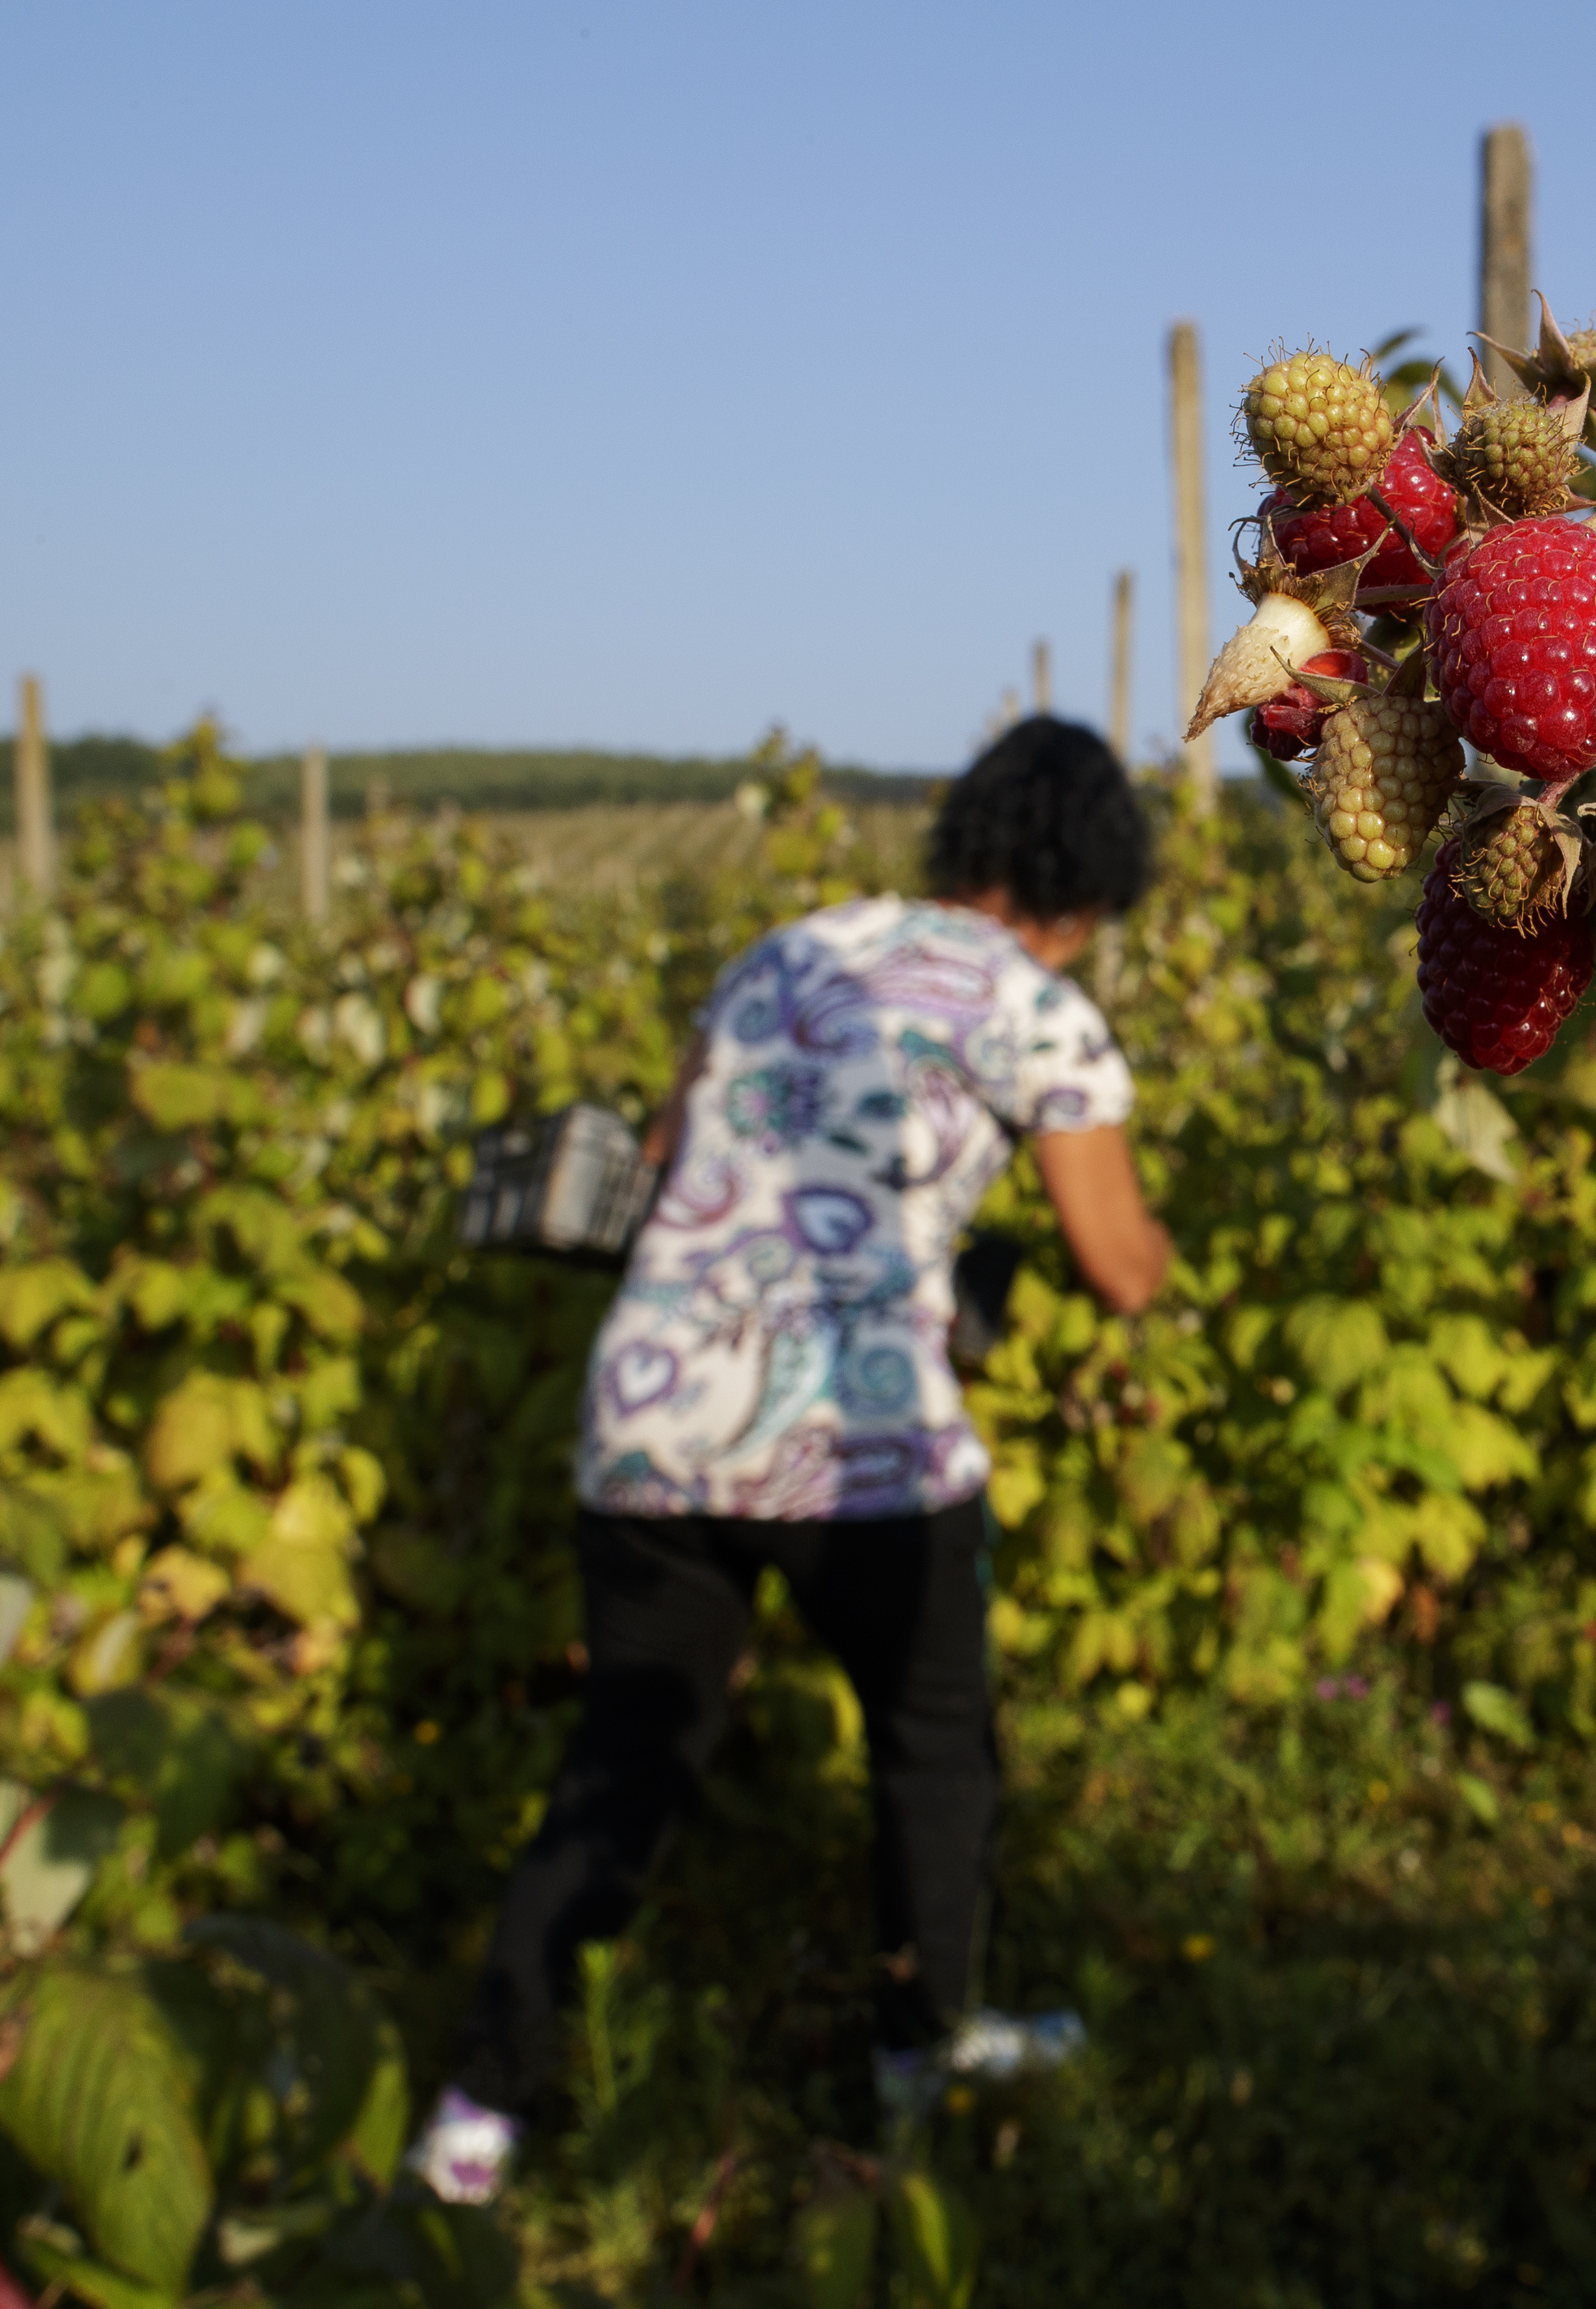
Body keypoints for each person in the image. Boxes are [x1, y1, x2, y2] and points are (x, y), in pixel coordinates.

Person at [408, 718, 1170, 2205]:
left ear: (962, 841)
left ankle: (472, 2125)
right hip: (862, 1451)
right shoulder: (1039, 1011)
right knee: (932, 1753)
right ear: (1085, 895)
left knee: (619, 1771)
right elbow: (1118, 1265)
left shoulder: (784, 955)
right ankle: (916, 2059)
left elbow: (682, 1158)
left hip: (656, 1415)